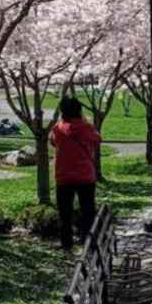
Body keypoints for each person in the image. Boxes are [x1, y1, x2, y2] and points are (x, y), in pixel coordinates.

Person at [48, 97, 101, 251]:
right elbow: (97, 140)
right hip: (85, 175)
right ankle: (87, 241)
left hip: (64, 175)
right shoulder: (86, 127)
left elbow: (52, 142)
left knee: (65, 213)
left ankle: (66, 244)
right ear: (79, 110)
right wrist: (85, 122)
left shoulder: (58, 128)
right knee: (87, 211)